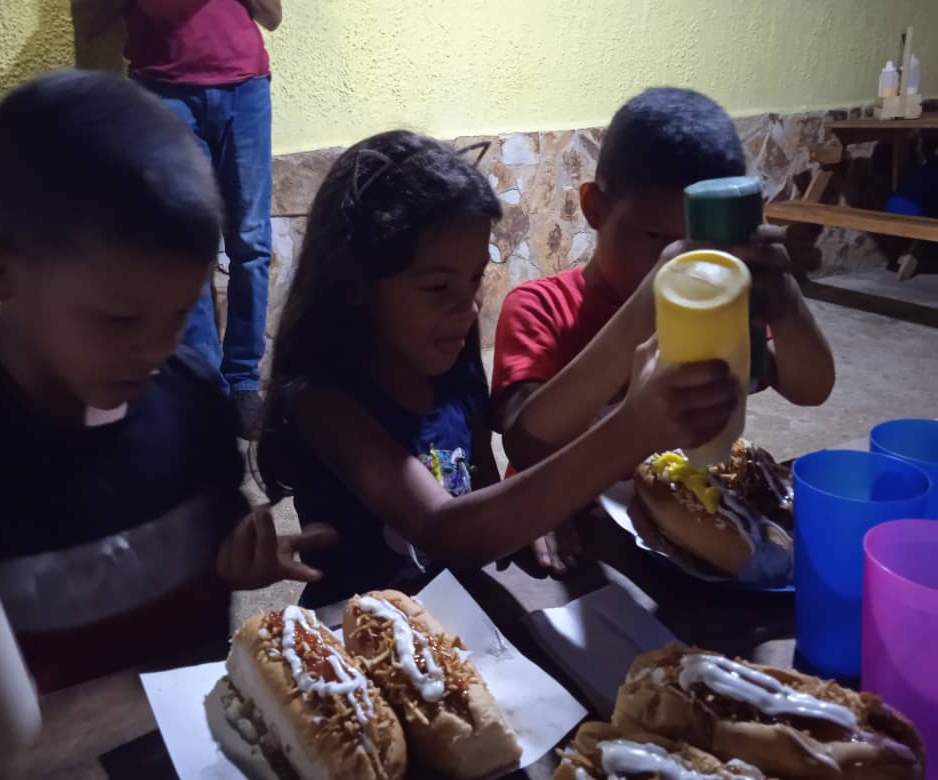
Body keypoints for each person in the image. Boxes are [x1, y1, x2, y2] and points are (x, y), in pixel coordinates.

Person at [0, 71, 334, 693]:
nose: (156, 352)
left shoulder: (195, 405)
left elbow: (208, 559)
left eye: (180, 314)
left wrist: (235, 563)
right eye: (120, 319)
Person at [256, 130, 745, 608]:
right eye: (437, 288)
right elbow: (445, 531)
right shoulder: (325, 404)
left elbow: (483, 487)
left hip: (460, 615)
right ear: (355, 286)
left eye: (474, 280)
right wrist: (632, 428)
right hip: (353, 632)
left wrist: (526, 513)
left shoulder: (452, 371)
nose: (468, 310)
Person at [491, 88, 836, 576]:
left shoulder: (721, 308)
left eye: (702, 247)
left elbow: (811, 389)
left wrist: (784, 297)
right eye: (656, 237)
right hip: (568, 525)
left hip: (680, 522)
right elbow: (526, 444)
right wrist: (646, 307)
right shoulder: (541, 307)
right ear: (595, 208)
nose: (677, 262)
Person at [72, 0, 283, 437]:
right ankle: (206, 387)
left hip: (245, 89)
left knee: (251, 242)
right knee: (185, 248)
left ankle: (244, 380)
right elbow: (88, 21)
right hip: (161, 93)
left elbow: (272, 15)